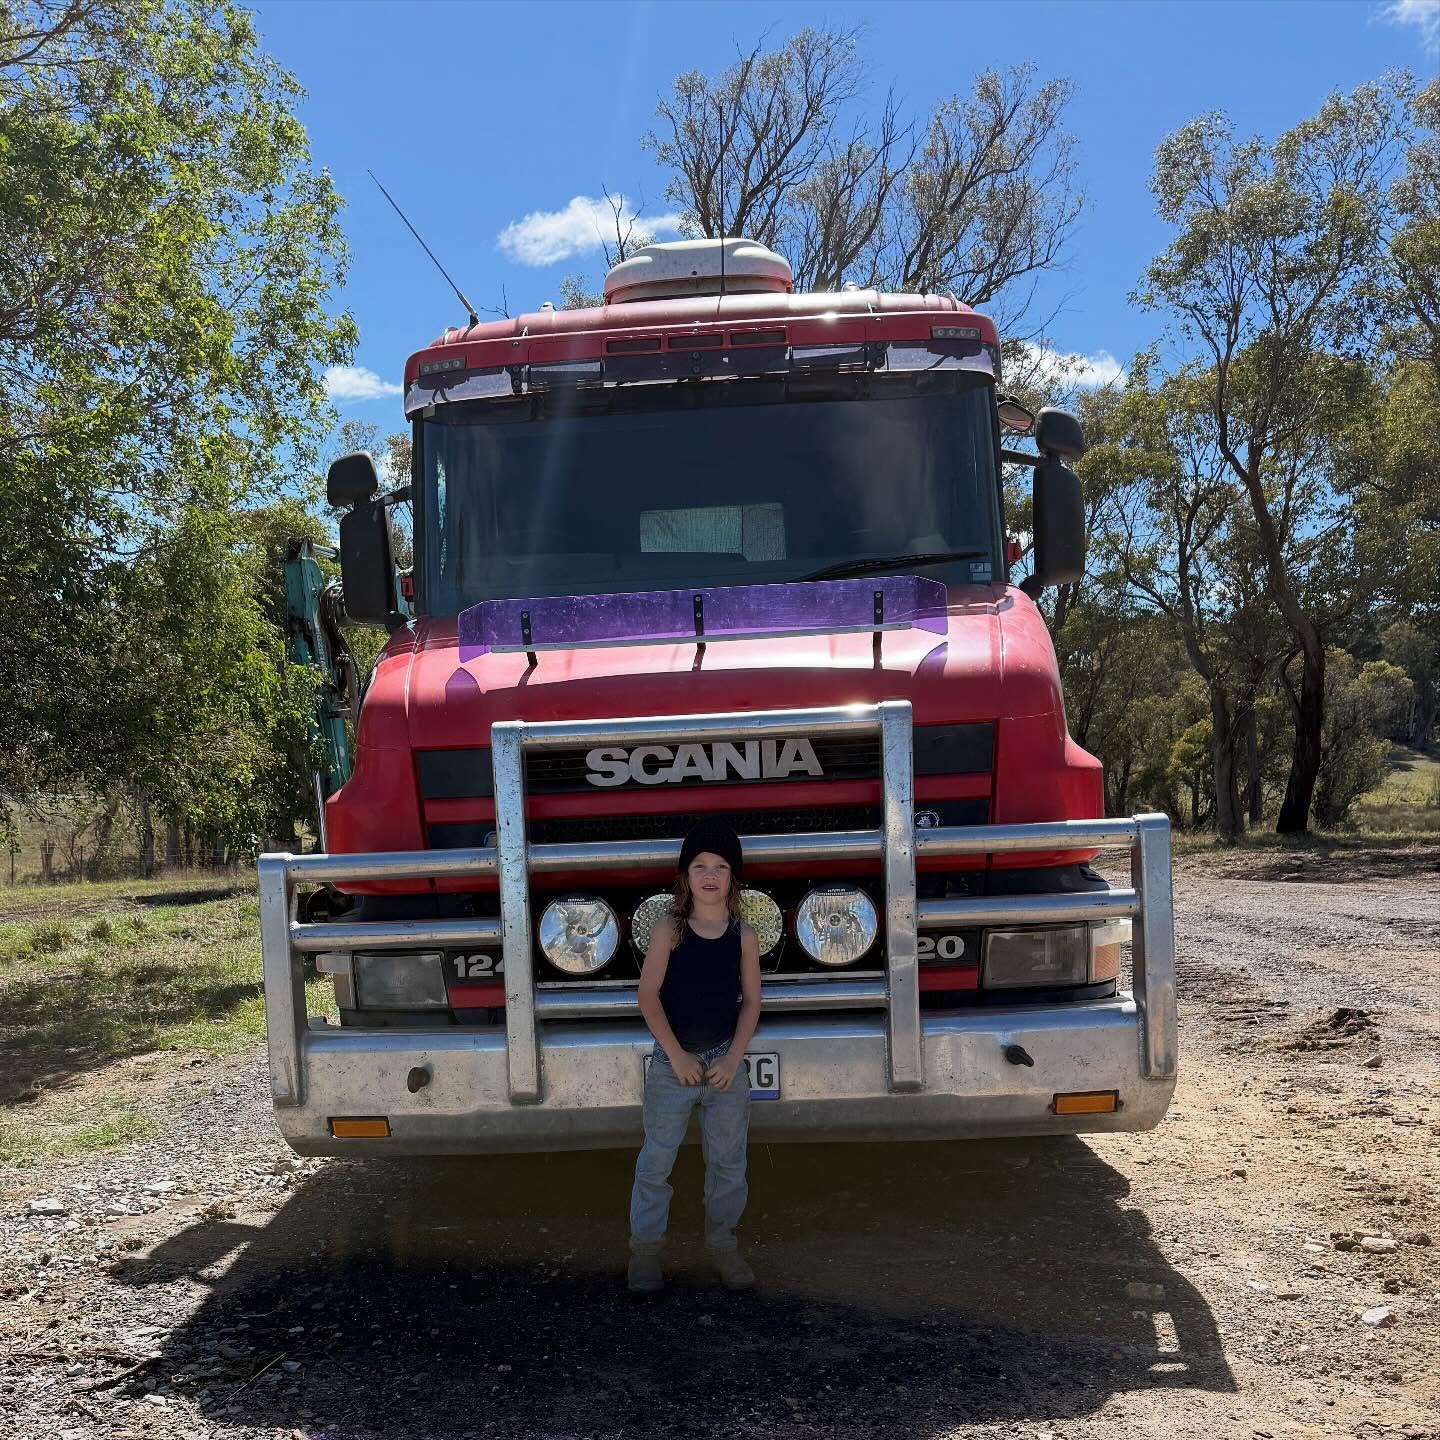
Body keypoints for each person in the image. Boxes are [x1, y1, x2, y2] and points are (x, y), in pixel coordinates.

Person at [627, 819, 762, 1294]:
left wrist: (733, 1060)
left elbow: (752, 1002)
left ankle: (722, 1243)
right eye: (700, 865)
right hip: (673, 1066)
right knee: (657, 1161)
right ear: (685, 876)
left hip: (726, 1063)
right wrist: (677, 1056)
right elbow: (648, 995)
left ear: (733, 879)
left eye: (721, 866)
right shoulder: (671, 929)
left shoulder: (743, 935)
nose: (710, 875)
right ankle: (644, 1252)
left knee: (728, 1162)